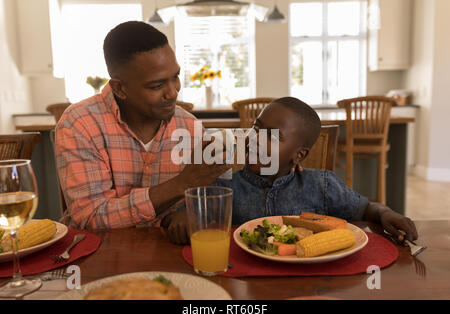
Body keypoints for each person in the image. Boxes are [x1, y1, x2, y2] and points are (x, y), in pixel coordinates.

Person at [166, 97, 418, 245]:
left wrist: (385, 212)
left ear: (299, 155)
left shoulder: (322, 185)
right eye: (256, 127)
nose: (255, 138)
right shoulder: (224, 185)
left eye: (271, 137)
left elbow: (365, 209)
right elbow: (177, 215)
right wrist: (179, 220)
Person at [55, 21, 229, 230]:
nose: (173, 92)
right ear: (119, 88)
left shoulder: (190, 126)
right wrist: (181, 184)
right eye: (157, 85)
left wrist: (185, 214)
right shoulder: (80, 124)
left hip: (166, 251)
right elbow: (91, 218)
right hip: (98, 255)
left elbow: (198, 207)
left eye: (175, 77)